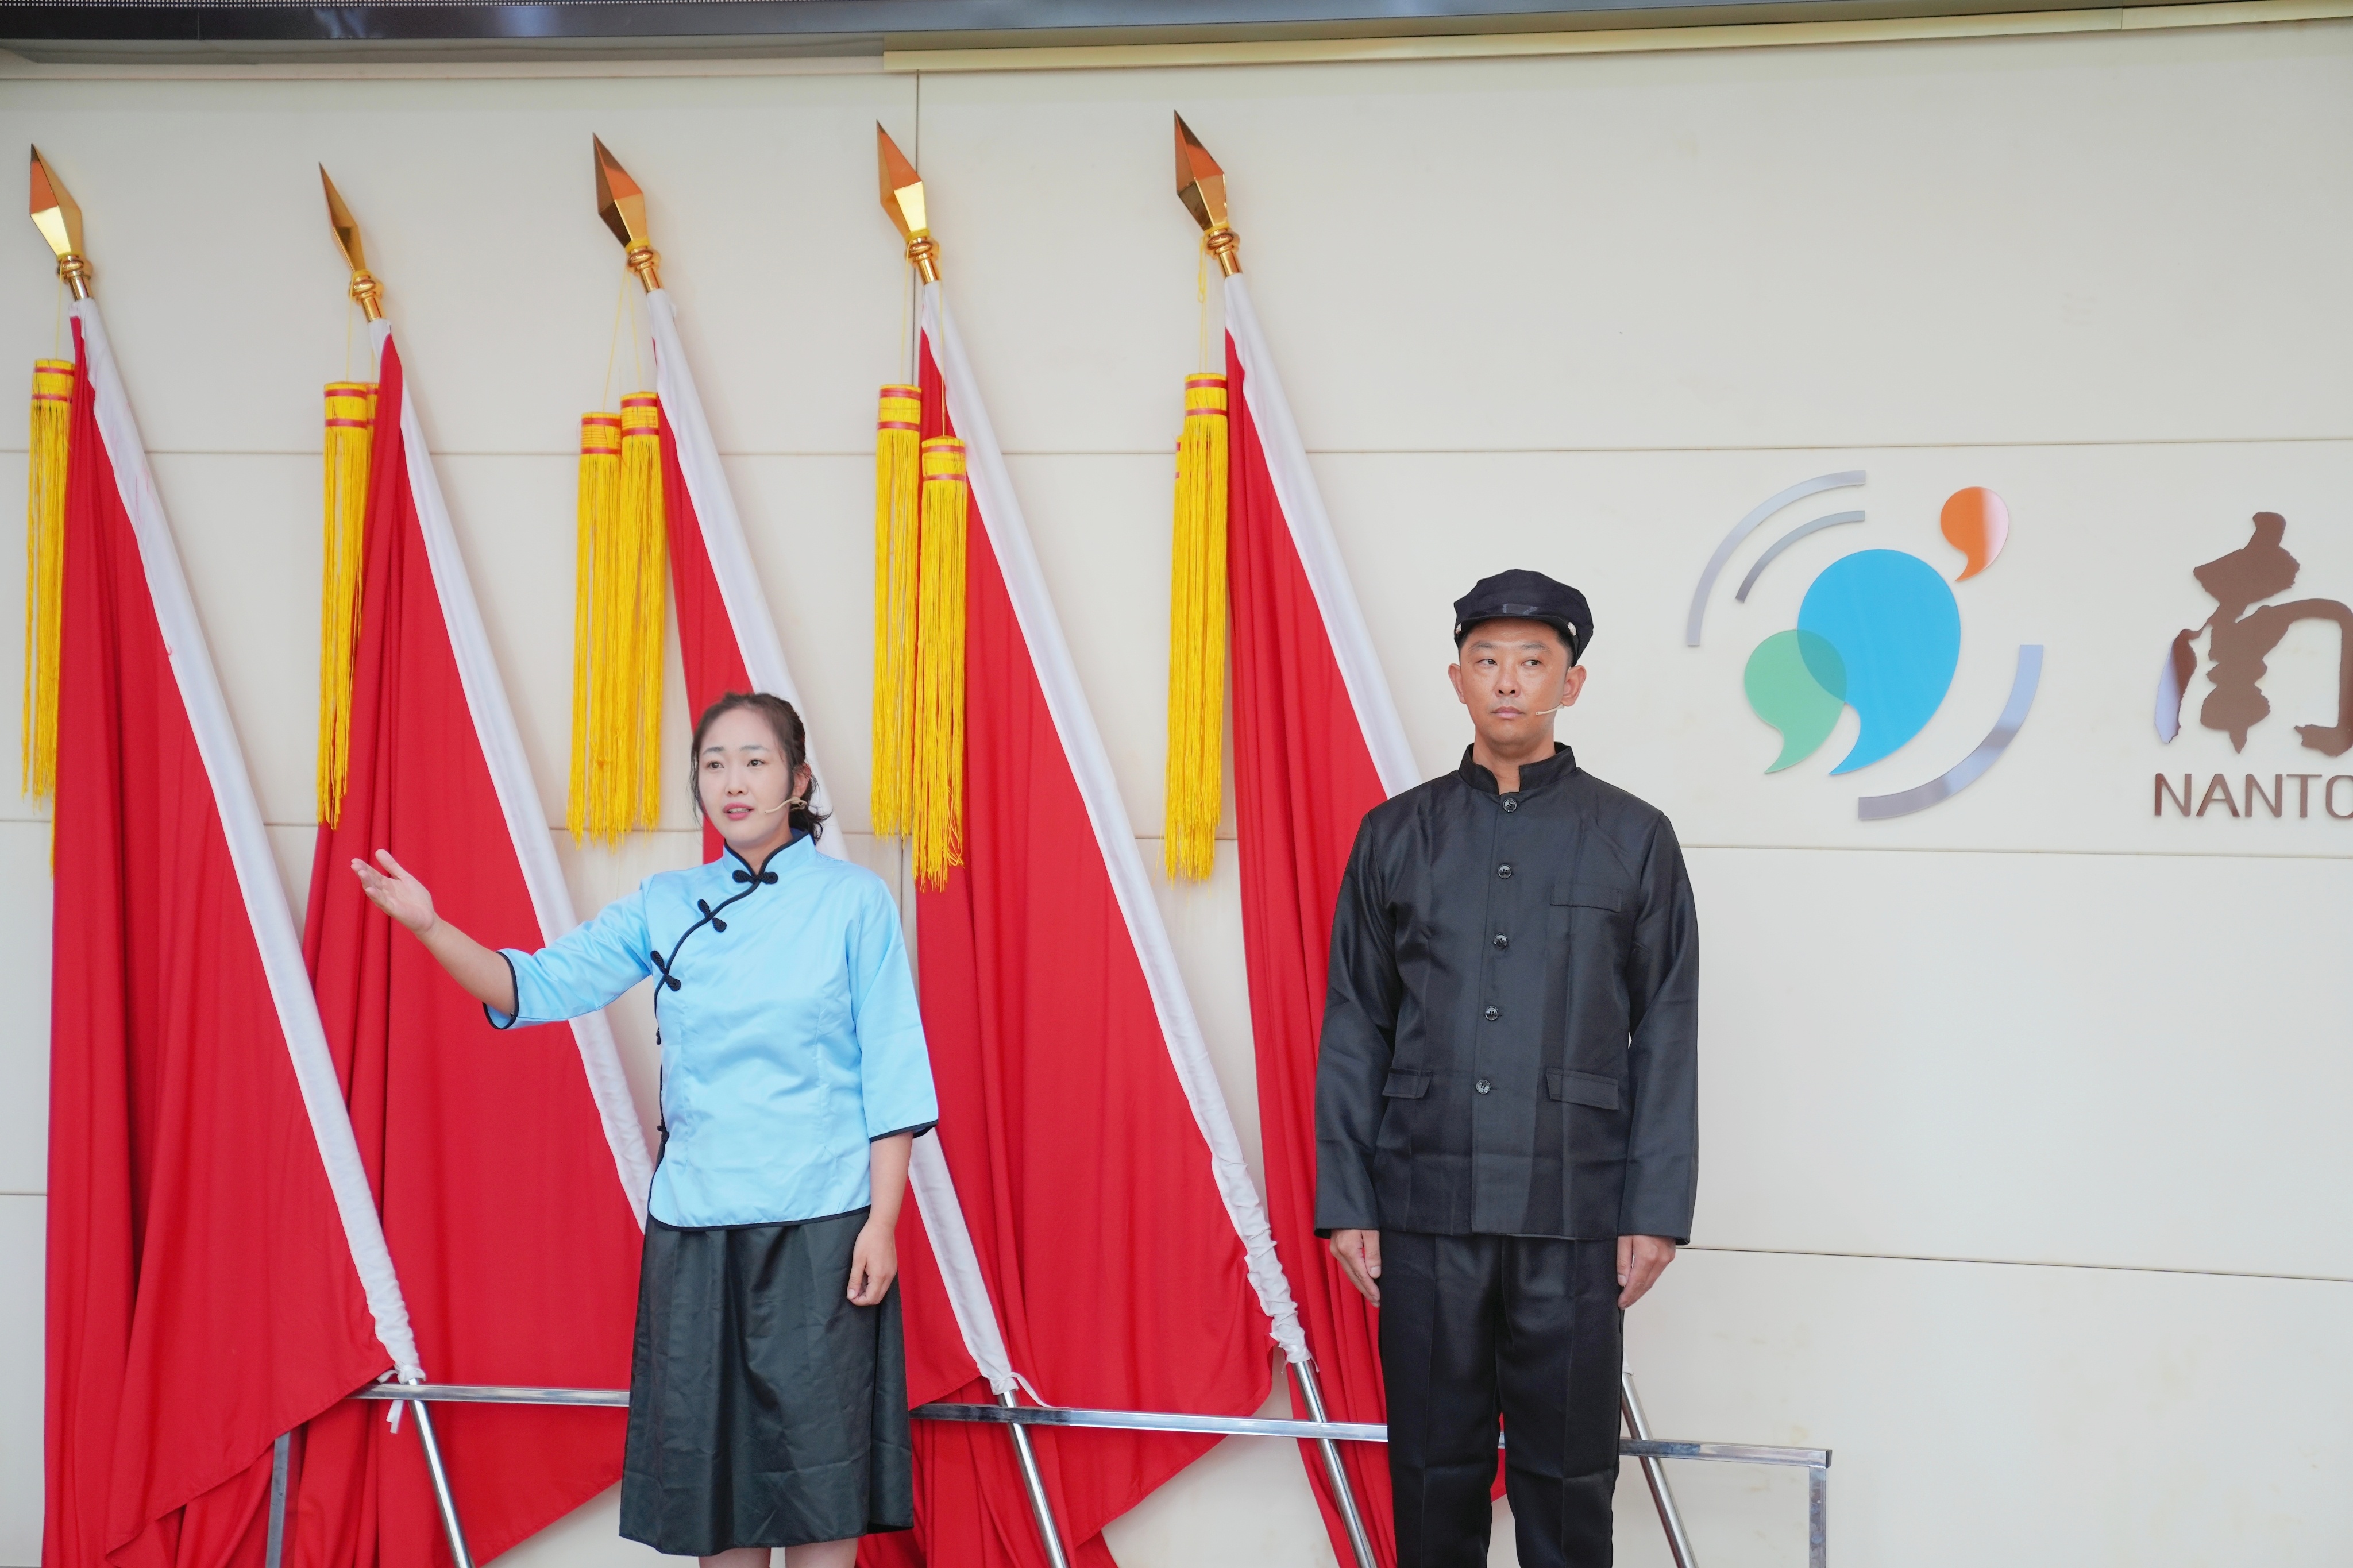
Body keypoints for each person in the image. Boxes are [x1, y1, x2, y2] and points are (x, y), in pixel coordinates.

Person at [352, 692, 936, 1568]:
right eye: (714, 763)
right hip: (697, 1231)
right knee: (715, 1492)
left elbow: (893, 1069)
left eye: (756, 761)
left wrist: (882, 1223)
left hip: (824, 1226)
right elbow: (535, 986)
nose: (733, 781)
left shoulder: (856, 902)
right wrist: (432, 926)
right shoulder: (665, 903)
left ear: (799, 779)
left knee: (823, 1485)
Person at [1315, 570, 1698, 1568]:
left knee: (1569, 1479)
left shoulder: (1634, 838)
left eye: (1534, 660)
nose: (1509, 680)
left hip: (1573, 1210)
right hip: (1424, 1206)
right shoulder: (1395, 835)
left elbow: (1666, 1027)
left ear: (1572, 683)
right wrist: (1349, 1200)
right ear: (1457, 680)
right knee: (1431, 1472)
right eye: (1487, 660)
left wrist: (1654, 1210)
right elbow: (1356, 1021)